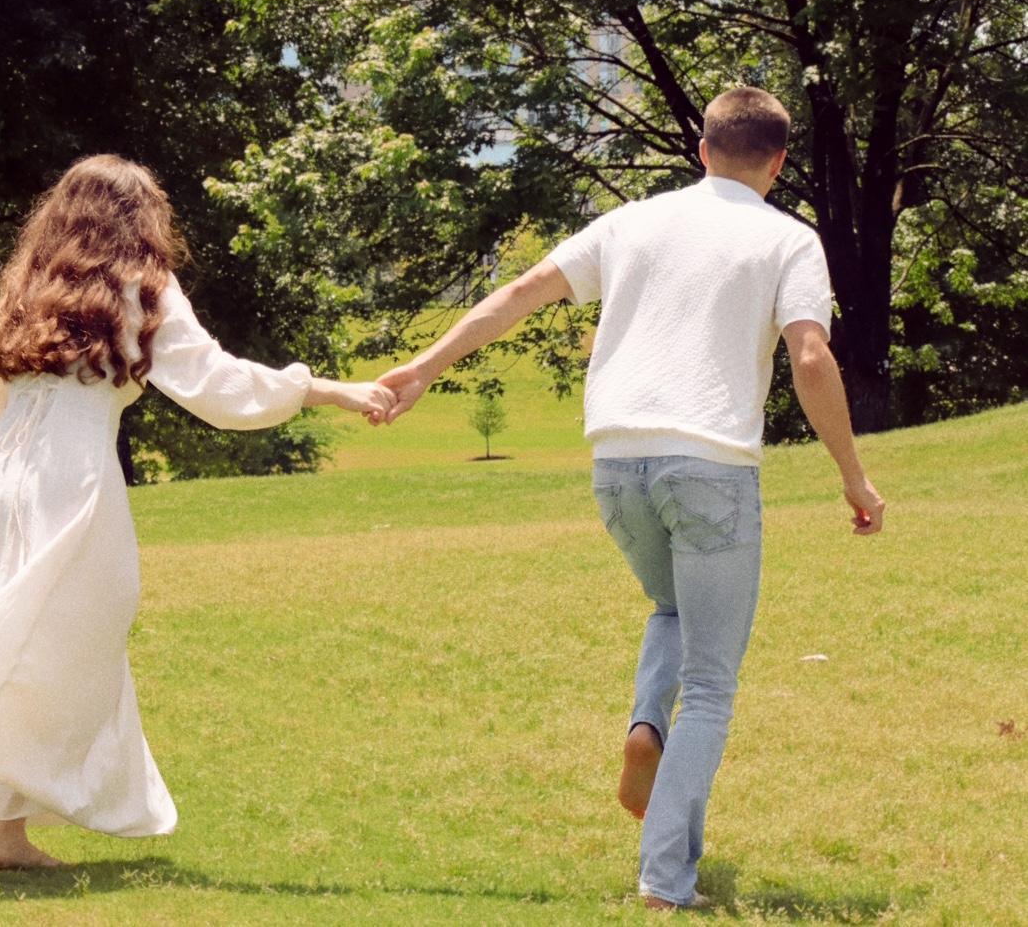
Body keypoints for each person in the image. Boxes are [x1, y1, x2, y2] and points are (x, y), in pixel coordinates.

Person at [378, 87, 885, 912]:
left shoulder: (632, 222)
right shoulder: (789, 239)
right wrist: (853, 477)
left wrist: (425, 367)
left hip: (616, 466)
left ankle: (647, 726)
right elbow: (810, 356)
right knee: (712, 687)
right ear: (779, 162)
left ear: (703, 149)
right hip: (710, 468)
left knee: (672, 607)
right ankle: (665, 879)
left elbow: (522, 291)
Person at [0, 155, 394, 870]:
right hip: (71, 476)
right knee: (77, 642)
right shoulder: (141, 284)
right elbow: (215, 381)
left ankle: (5, 834)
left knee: (24, 632)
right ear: (138, 218)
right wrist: (327, 390)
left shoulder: (28, 284)